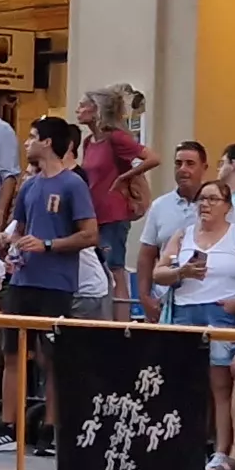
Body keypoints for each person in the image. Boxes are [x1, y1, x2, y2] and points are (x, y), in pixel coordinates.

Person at [0, 116, 102, 453]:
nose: (27, 142)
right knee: (12, 353)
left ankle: (51, 430)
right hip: (24, 278)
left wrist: (50, 245)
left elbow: (90, 233)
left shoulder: (72, 185)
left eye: (33, 136)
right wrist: (8, 240)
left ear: (49, 142)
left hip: (56, 284)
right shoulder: (30, 186)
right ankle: (8, 427)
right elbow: (20, 229)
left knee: (51, 357)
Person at [153, 176, 235, 470]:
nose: (206, 205)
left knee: (220, 385)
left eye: (214, 199)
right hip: (185, 312)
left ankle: (221, 449)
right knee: (183, 383)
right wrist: (181, 271)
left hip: (221, 313)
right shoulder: (183, 234)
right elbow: (158, 273)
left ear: (227, 205)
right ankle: (182, 444)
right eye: (202, 199)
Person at [75, 88, 145, 310]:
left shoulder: (116, 138)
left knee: (115, 268)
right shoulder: (88, 142)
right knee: (101, 267)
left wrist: (124, 177)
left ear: (97, 110)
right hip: (94, 213)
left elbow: (152, 158)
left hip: (113, 212)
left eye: (83, 104)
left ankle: (121, 326)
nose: (78, 109)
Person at [129, 140, 208, 322]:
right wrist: (145, 297)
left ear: (204, 167)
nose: (183, 169)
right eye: (178, 163)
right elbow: (146, 255)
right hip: (165, 299)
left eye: (190, 164)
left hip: (205, 300)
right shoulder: (160, 206)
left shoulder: (217, 203)